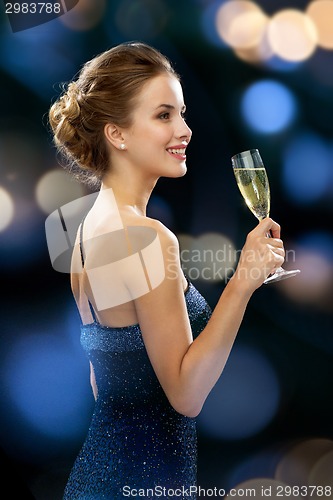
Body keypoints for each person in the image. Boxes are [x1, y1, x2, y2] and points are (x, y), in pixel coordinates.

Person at [48, 42, 285, 499]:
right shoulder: (149, 238)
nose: (185, 130)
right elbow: (186, 395)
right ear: (117, 134)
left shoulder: (85, 231)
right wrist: (243, 282)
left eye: (182, 113)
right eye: (163, 116)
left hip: (105, 474)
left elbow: (104, 378)